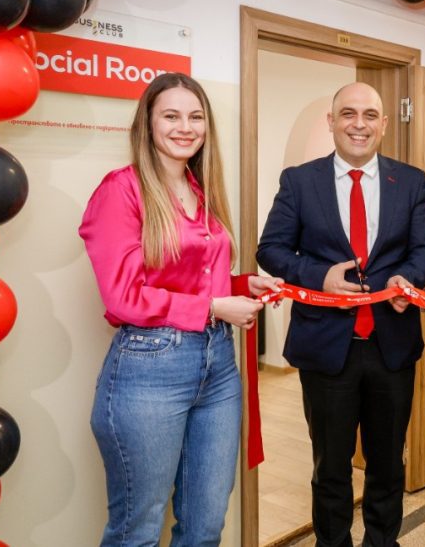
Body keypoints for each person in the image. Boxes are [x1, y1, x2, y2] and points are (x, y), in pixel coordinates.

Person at [80, 72, 281, 546]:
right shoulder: (122, 190)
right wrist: (215, 307)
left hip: (218, 368)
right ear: (147, 124)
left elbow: (190, 276)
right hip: (149, 369)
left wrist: (241, 284)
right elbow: (123, 296)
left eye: (196, 117)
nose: (185, 127)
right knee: (137, 531)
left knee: (205, 527)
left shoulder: (202, 190)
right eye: (171, 116)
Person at [256, 82, 425, 547]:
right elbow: (271, 249)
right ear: (332, 121)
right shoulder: (300, 181)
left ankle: (382, 541)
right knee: (330, 467)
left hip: (391, 347)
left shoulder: (410, 181)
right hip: (325, 350)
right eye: (349, 114)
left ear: (384, 124)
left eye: (370, 115)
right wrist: (319, 277)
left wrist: (406, 279)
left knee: (388, 465)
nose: (360, 124)